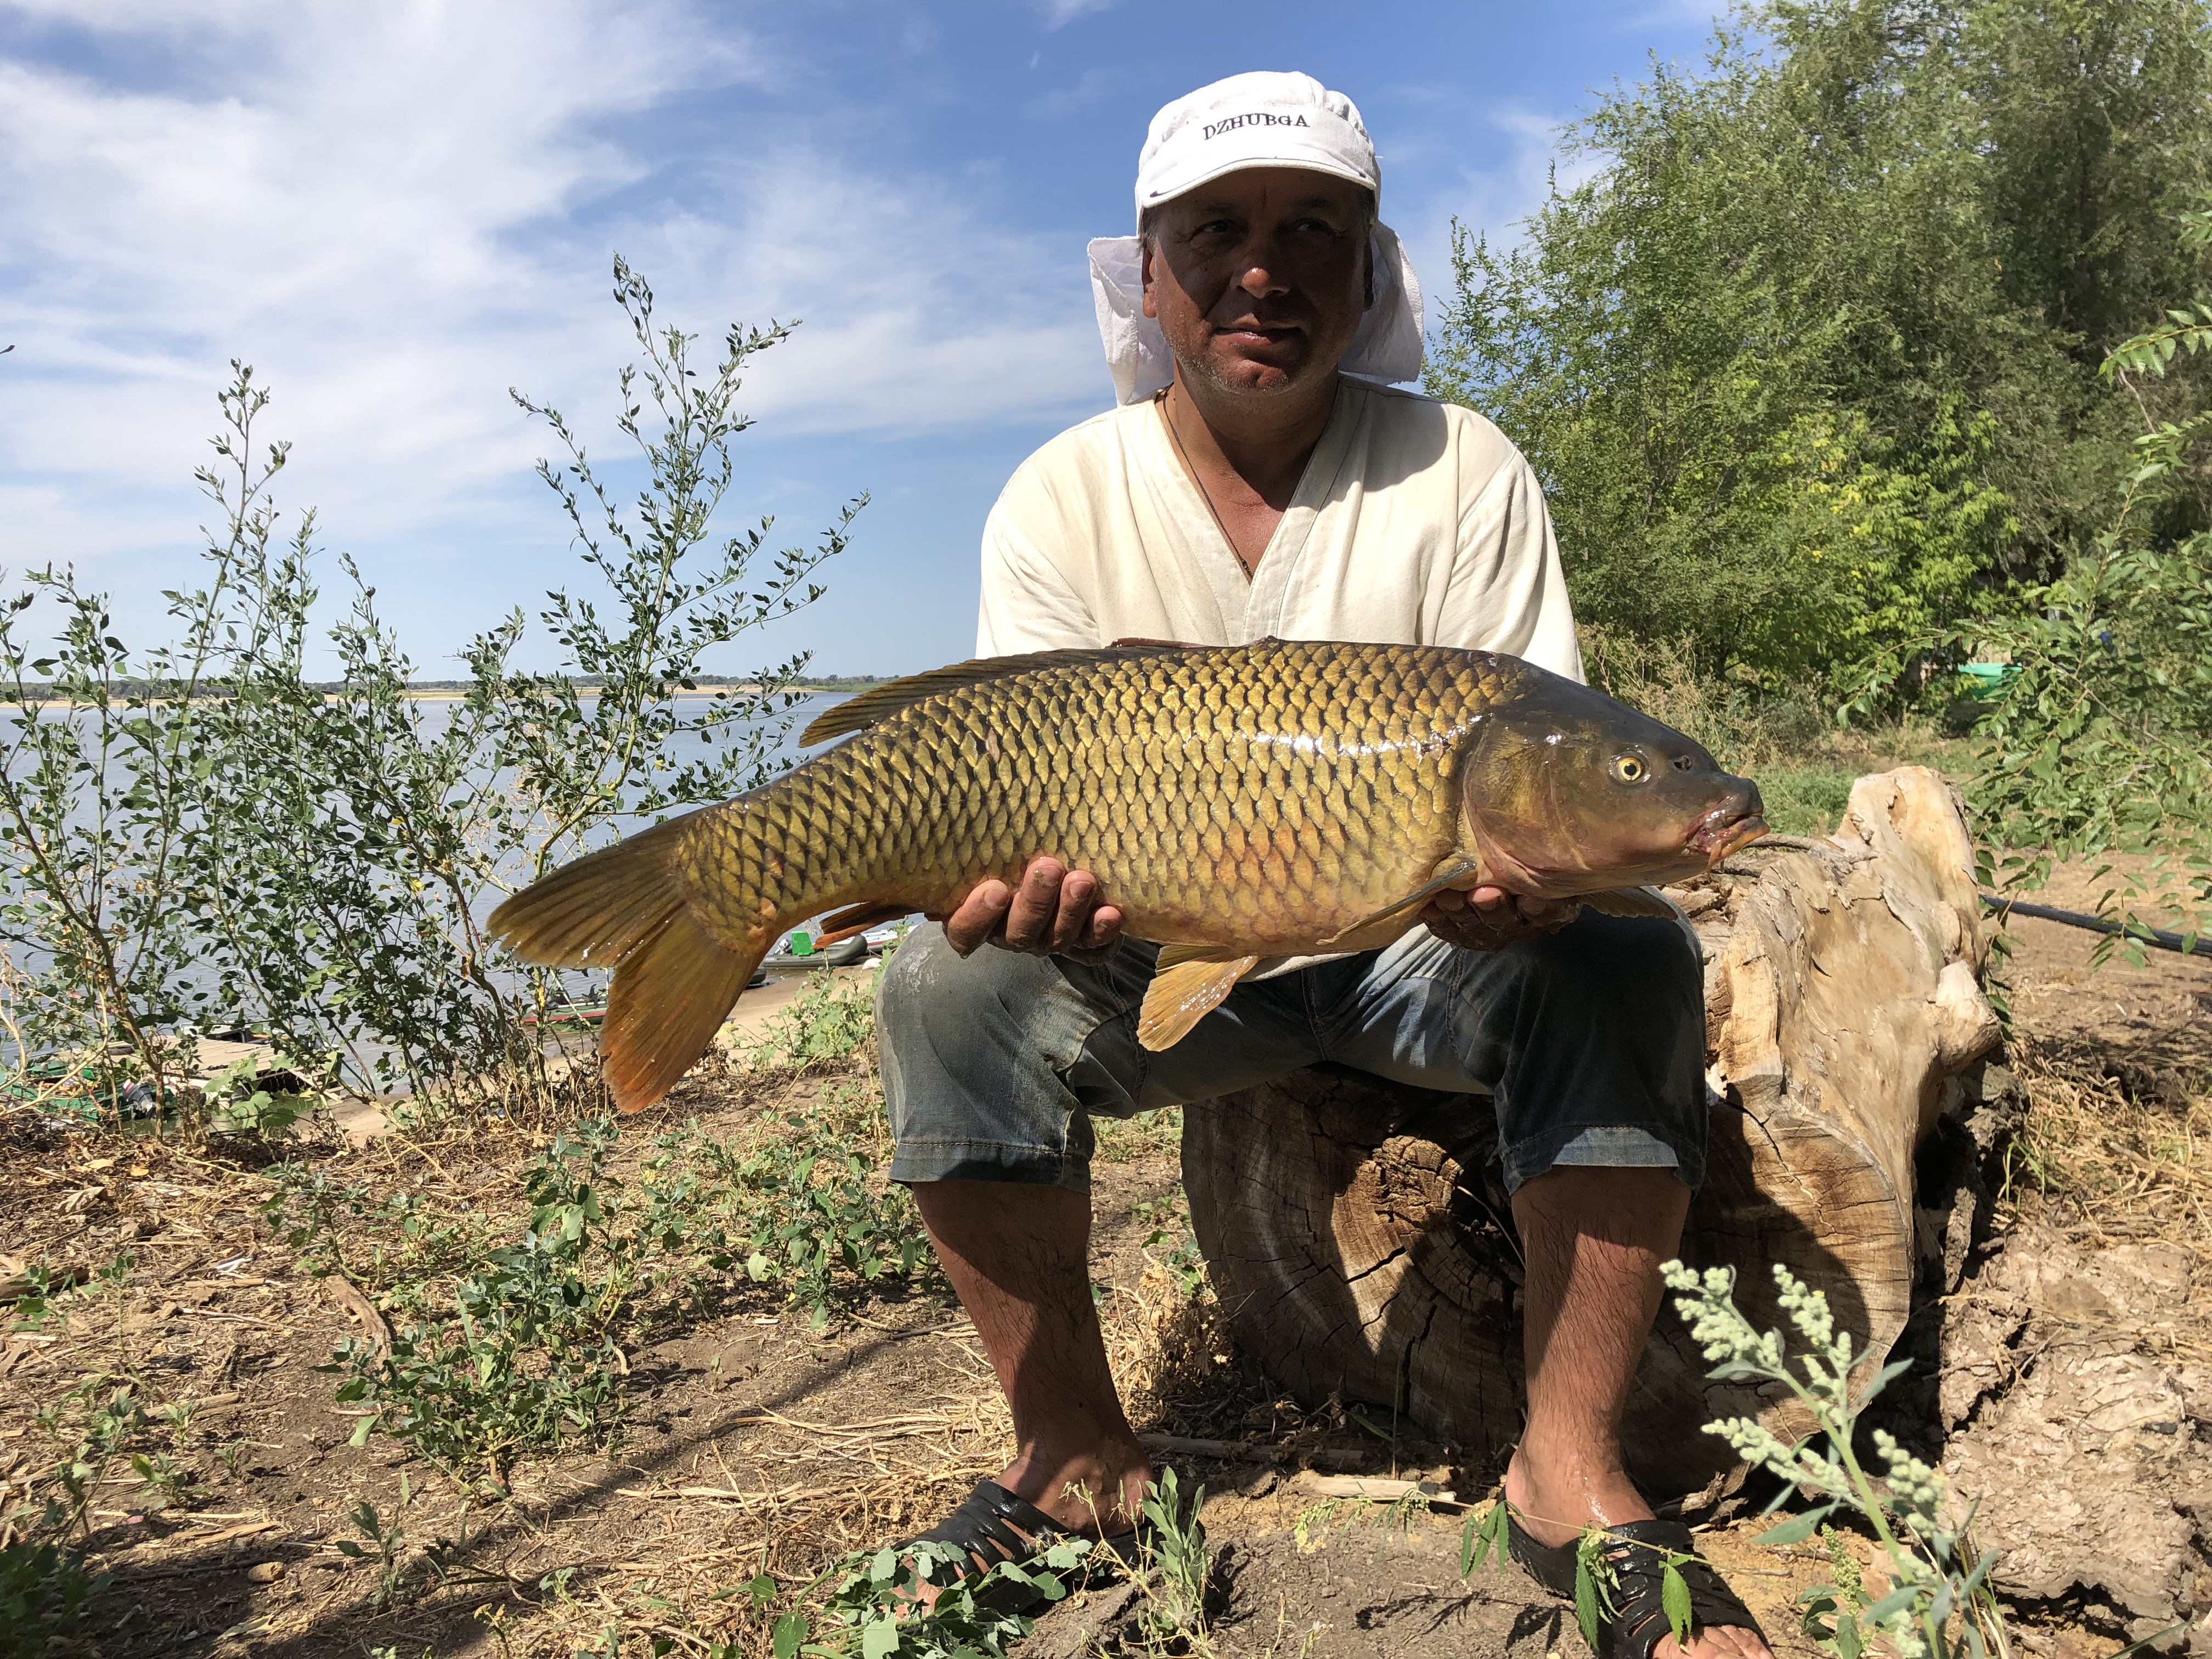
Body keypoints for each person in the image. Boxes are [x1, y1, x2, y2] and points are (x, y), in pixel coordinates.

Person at [873, 71, 1773, 1659]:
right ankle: (1074, 1457)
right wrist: (1009, 893)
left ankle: (1568, 1477)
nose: (1264, 270)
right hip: (1159, 956)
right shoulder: (1062, 497)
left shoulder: (1461, 468)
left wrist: (1555, 873)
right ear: (1148, 278)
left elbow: (1539, 736)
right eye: (1216, 233)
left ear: (1372, 271)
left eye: (1315, 231)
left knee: (1629, 947)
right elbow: (1009, 794)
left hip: (1425, 945)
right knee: (942, 982)